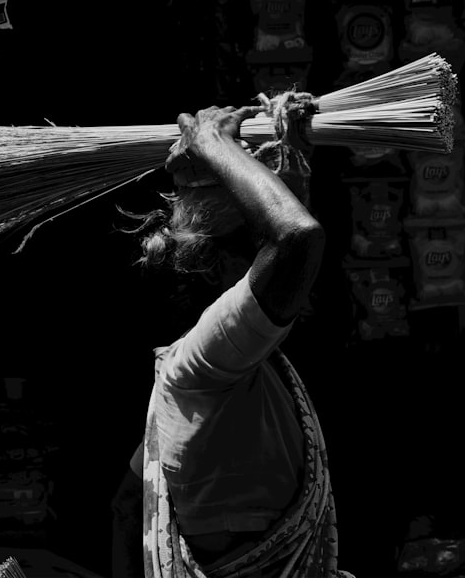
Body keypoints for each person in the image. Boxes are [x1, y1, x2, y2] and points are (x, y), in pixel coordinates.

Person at [110, 99, 353, 578]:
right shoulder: (205, 362)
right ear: (222, 267)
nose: (305, 281)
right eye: (259, 253)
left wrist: (291, 160)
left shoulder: (201, 373)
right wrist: (213, 142)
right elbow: (297, 241)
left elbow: (125, 503)